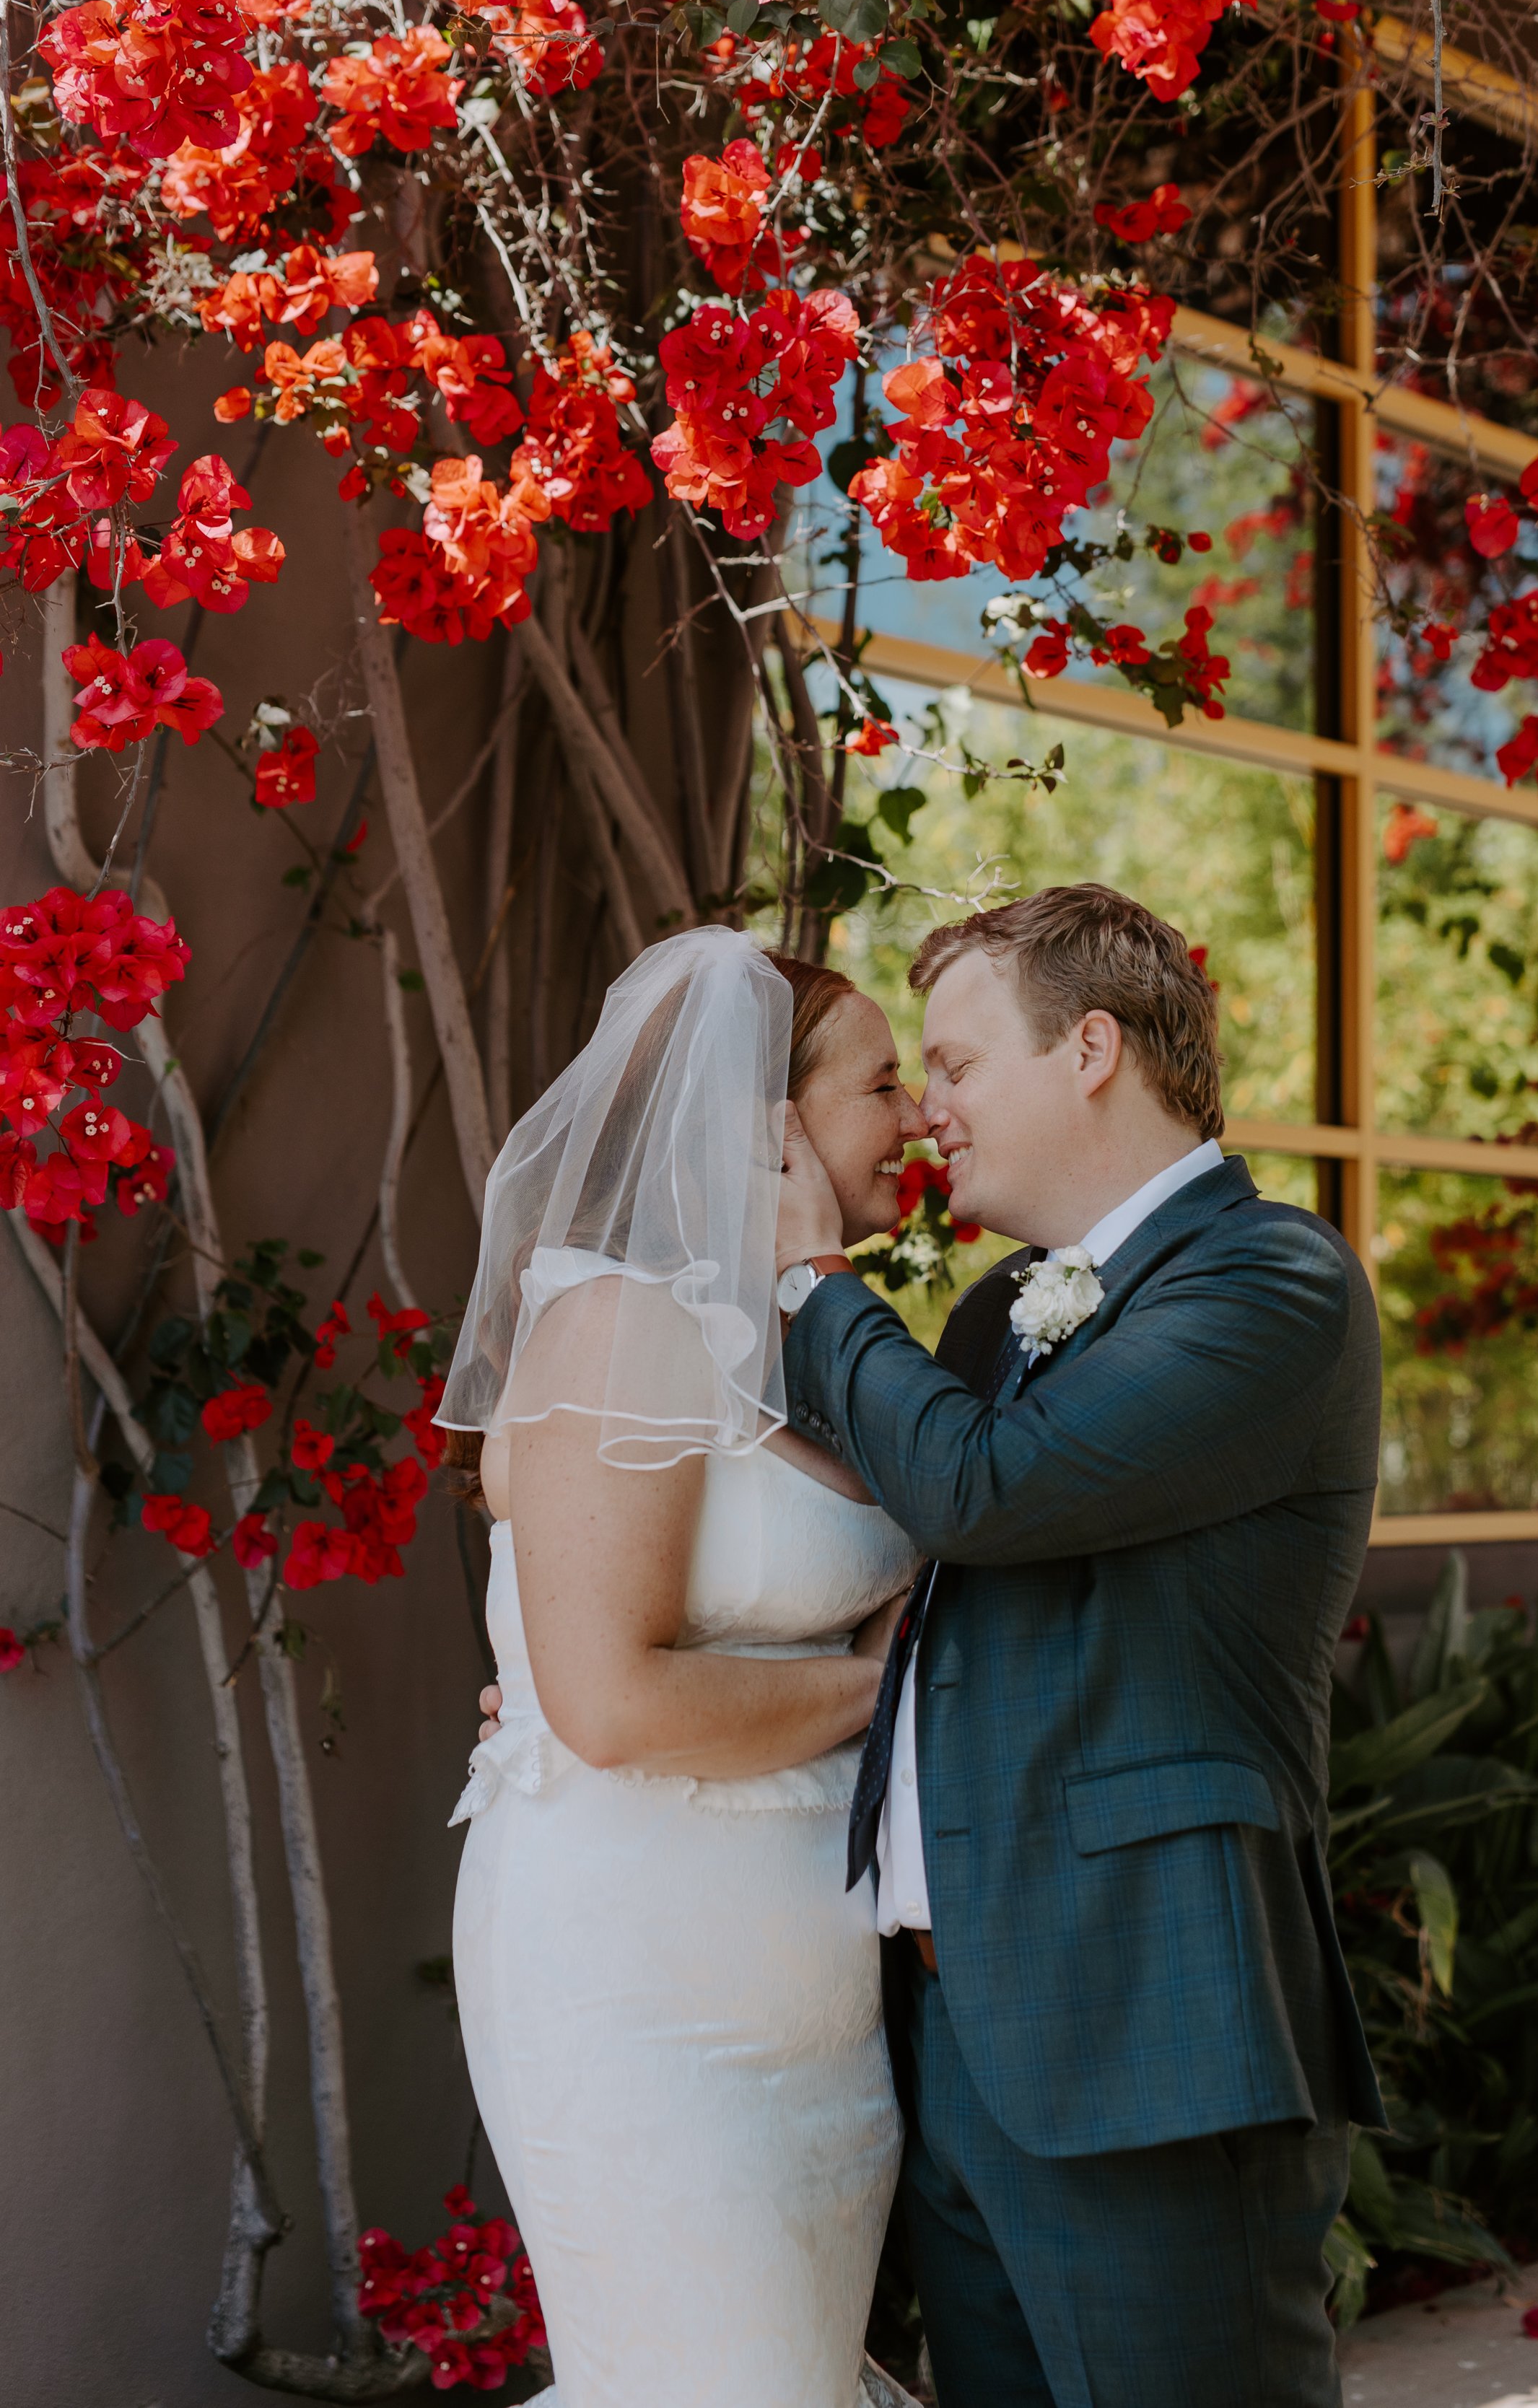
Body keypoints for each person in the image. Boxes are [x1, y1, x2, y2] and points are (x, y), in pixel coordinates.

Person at [773, 883, 1384, 2408]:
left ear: (1092, 1047)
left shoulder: (1272, 1283)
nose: (927, 1107)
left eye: (959, 1064)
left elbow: (991, 1491)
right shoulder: (991, 1322)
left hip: (1142, 2031)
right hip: (949, 2032)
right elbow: (913, 1616)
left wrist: (810, 1286)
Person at [440, 926, 928, 2408]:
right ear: (764, 1128)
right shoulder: (615, 1325)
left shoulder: (791, 1343)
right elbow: (612, 1705)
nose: (913, 1118)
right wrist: (889, 1693)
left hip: (816, 2007)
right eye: (881, 1086)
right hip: (634, 1990)